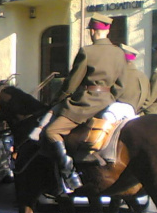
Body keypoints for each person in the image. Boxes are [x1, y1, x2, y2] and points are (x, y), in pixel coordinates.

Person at [43, 13, 127, 194]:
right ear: (107, 30)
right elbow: (120, 86)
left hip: (85, 103)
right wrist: (110, 100)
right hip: (108, 103)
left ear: (93, 32)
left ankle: (69, 172)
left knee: (51, 131)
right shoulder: (120, 53)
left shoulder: (87, 52)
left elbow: (72, 82)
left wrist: (59, 98)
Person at [115, 44, 150, 116]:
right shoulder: (143, 76)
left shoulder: (118, 75)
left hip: (117, 116)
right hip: (138, 116)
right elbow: (147, 100)